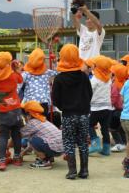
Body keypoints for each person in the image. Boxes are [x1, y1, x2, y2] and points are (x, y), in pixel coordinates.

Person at [52, 44, 92, 180]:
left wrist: (64, 107)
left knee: (68, 142)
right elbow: (89, 94)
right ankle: (84, 170)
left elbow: (55, 99)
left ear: (62, 57)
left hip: (68, 115)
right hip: (83, 115)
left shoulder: (59, 79)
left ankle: (72, 170)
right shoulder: (84, 77)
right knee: (82, 142)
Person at [0, 52, 23, 171]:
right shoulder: (13, 76)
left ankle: (2, 160)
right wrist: (15, 69)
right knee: (16, 135)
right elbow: (20, 79)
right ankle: (17, 158)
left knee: (3, 136)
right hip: (16, 111)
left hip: (3, 113)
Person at [20, 101, 63, 170]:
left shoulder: (32, 123)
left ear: (29, 115)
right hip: (60, 149)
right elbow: (32, 146)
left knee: (33, 139)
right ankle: (49, 158)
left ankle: (45, 161)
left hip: (54, 148)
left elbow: (20, 135)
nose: (23, 116)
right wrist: (22, 153)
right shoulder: (43, 120)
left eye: (24, 114)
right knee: (38, 139)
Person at [21, 48, 58, 124]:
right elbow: (58, 72)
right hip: (43, 101)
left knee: (31, 125)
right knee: (42, 124)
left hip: (29, 103)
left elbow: (17, 85)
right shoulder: (47, 72)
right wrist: (54, 63)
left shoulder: (26, 74)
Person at [87, 56, 114, 156]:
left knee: (89, 125)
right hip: (107, 108)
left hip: (96, 108)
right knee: (105, 128)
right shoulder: (109, 78)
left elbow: (89, 92)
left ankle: (95, 143)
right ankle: (106, 149)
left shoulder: (94, 80)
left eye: (94, 65)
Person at [109, 63, 128, 152]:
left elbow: (113, 96)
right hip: (125, 110)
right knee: (121, 127)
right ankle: (124, 142)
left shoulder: (115, 85)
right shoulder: (126, 83)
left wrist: (110, 105)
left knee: (112, 127)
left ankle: (119, 143)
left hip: (117, 110)